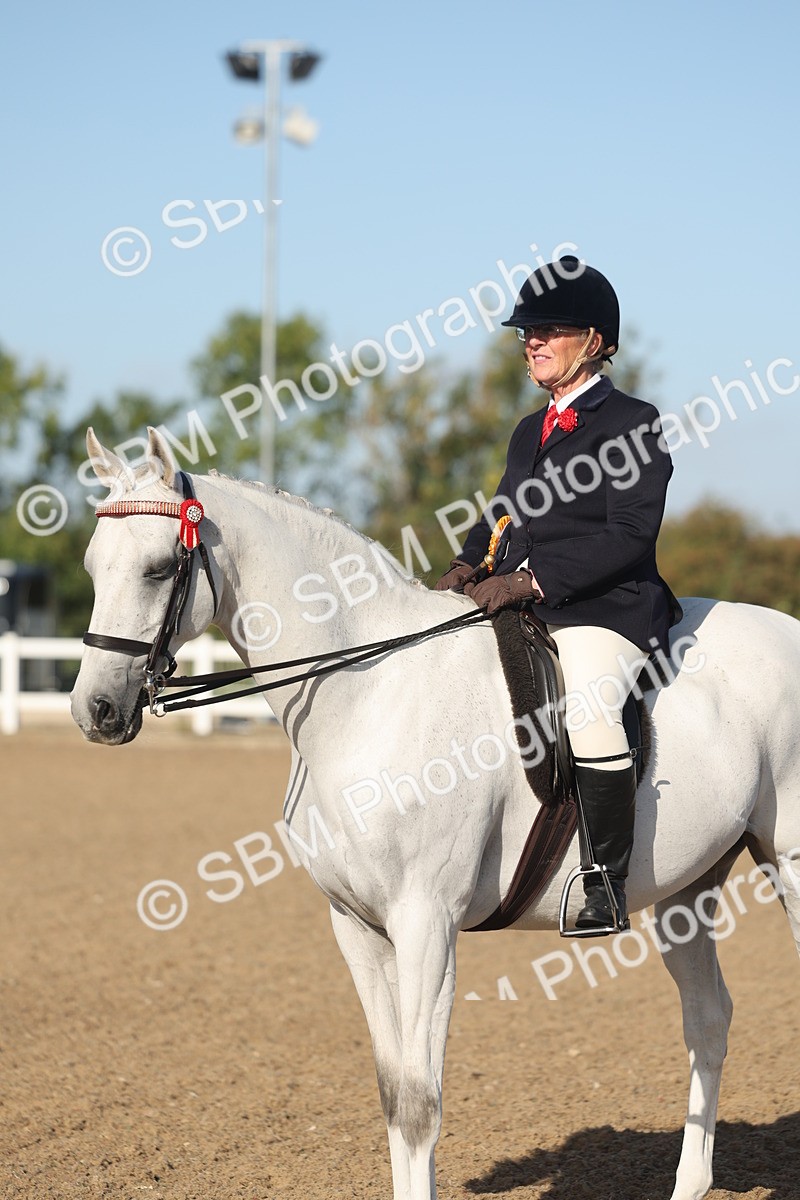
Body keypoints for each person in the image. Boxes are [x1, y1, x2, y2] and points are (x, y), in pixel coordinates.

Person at [435, 255, 680, 932]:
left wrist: (533, 579)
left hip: (606, 607)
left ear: (597, 340)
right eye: (526, 331)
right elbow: (503, 514)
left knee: (593, 706)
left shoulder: (633, 420)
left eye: (550, 328)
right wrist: (464, 564)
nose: (532, 341)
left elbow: (630, 534)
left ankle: (605, 879)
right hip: (527, 603)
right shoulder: (528, 429)